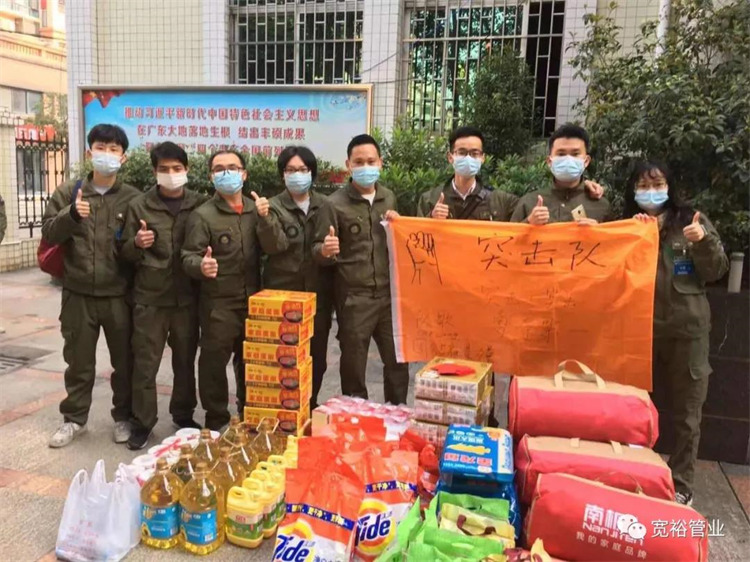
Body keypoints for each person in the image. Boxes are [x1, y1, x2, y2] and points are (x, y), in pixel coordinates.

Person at [625, 160, 728, 506]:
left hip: (687, 332)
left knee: (687, 413)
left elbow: (716, 270)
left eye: (657, 184)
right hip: (640, 332)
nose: (651, 192)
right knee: (637, 411)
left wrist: (702, 242)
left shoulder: (691, 221)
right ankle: (636, 477)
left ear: (669, 187)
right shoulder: (627, 224)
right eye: (643, 185)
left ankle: (681, 484)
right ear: (633, 191)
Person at [42, 124, 139, 448]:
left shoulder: (133, 198)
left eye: (113, 149)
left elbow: (136, 249)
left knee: (124, 362)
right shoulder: (68, 192)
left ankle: (123, 417)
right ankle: (74, 419)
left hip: (119, 295)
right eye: (101, 147)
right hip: (78, 294)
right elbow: (49, 233)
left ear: (123, 158)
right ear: (89, 152)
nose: (106, 154)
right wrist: (71, 215)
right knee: (79, 362)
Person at [182, 150, 286, 431]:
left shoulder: (257, 209)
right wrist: (200, 265)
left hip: (254, 301)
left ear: (244, 173)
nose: (226, 173)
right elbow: (188, 256)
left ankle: (250, 413)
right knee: (214, 363)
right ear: (211, 176)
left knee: (252, 361)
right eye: (219, 169)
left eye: (232, 167)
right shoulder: (203, 215)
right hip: (218, 304)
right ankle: (216, 419)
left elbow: (276, 247)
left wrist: (266, 218)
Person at [120, 142, 208, 449]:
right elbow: (124, 253)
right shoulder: (139, 205)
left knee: (185, 361)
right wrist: (136, 243)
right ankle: (142, 422)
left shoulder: (200, 204)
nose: (171, 174)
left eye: (176, 168)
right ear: (154, 171)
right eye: (164, 169)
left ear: (187, 169)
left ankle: (183, 414)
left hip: (186, 298)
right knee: (145, 364)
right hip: (150, 299)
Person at [313, 134, 409, 404]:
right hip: (354, 298)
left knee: (398, 361)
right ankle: (356, 414)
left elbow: (400, 242)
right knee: (354, 364)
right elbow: (316, 249)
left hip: (388, 296)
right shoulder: (334, 204)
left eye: (371, 161)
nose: (365, 166)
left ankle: (397, 412)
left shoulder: (388, 198)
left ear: (380, 162)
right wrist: (325, 250)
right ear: (348, 165)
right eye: (359, 162)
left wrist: (399, 224)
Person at [263, 146, 335, 410]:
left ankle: (309, 405)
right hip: (283, 296)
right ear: (282, 174)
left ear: (312, 173)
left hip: (318, 297)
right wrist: (265, 219)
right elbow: (274, 246)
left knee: (316, 358)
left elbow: (329, 249)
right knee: (283, 356)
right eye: (291, 170)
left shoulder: (325, 205)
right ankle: (282, 410)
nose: (297, 175)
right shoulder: (272, 206)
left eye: (303, 170)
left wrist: (327, 251)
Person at [511, 124, 611, 225]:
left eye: (575, 154)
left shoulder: (601, 206)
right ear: (549, 161)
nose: (568, 159)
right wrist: (528, 223)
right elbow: (509, 234)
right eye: (561, 154)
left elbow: (615, 234)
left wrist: (598, 231)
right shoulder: (529, 202)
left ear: (586, 161)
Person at [417, 126, 520, 221]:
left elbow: (523, 227)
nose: (468, 158)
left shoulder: (500, 201)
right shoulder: (429, 200)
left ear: (482, 158)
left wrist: (529, 219)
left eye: (474, 153)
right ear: (450, 157)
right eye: (462, 153)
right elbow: (416, 232)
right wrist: (431, 218)